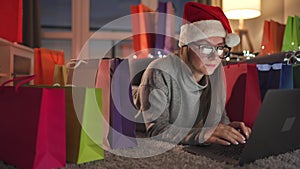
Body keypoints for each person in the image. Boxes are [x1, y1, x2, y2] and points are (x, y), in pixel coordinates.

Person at [134, 2, 251, 146]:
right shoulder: (159, 71)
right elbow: (157, 130)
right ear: (187, 46)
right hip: (124, 107)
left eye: (220, 48)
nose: (214, 57)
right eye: (206, 48)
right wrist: (201, 135)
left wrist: (230, 131)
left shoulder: (215, 71)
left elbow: (219, 121)